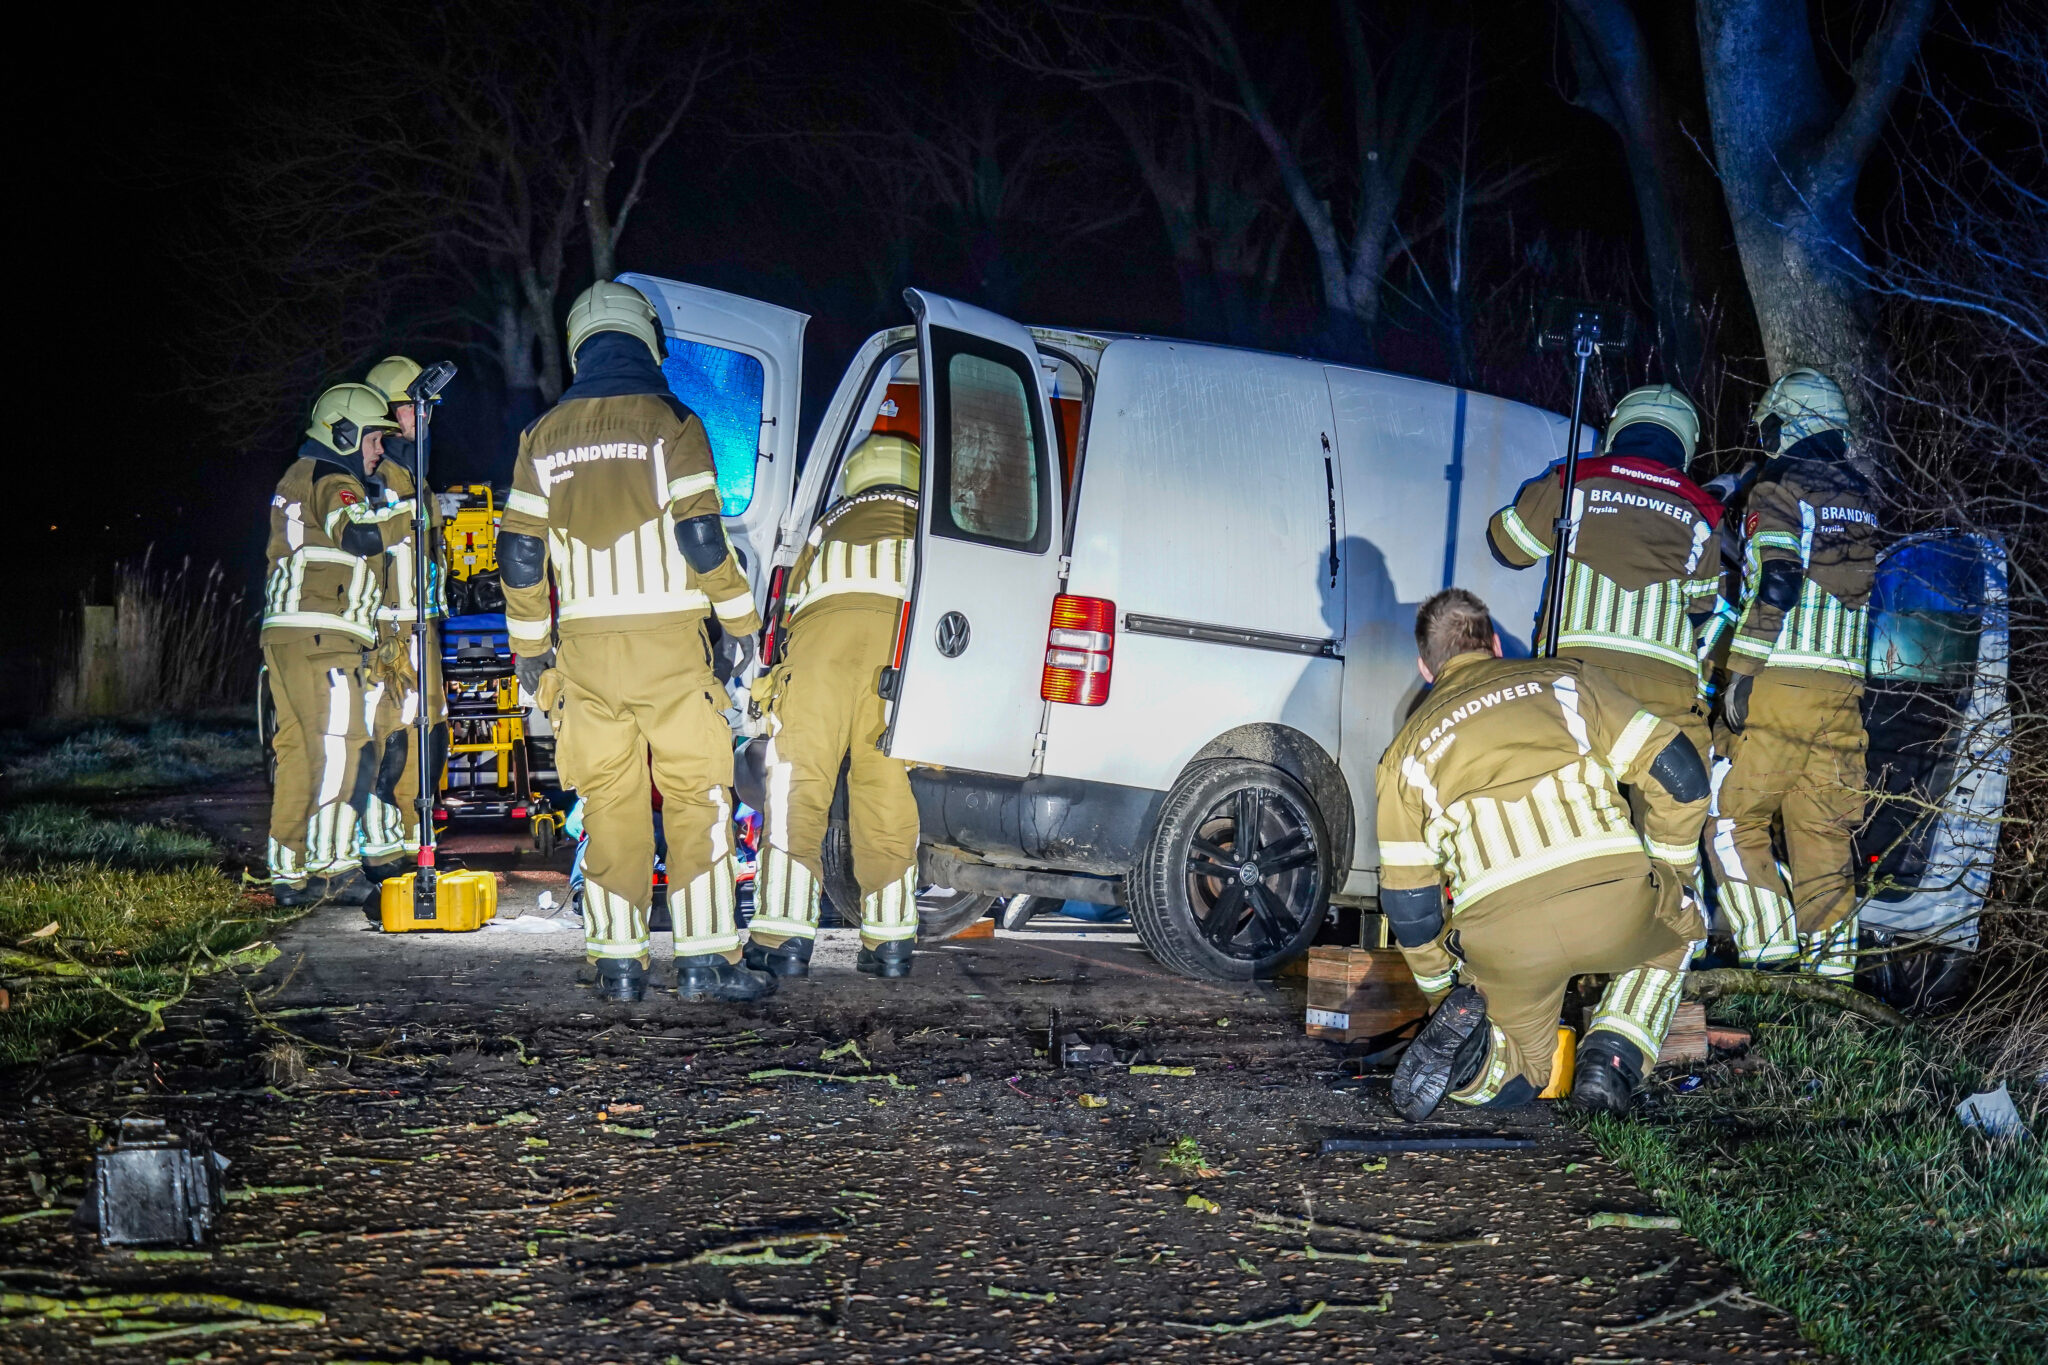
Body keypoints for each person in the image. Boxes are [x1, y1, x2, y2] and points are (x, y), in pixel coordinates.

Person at [499, 280, 773, 1003]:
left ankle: (618, 964)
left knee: (611, 800)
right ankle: (706, 961)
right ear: (645, 341)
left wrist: (531, 652)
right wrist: (742, 624)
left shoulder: (541, 437)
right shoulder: (672, 421)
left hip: (584, 652)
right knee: (695, 796)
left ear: (580, 346)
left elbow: (520, 555)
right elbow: (703, 537)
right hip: (670, 650)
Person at [1378, 588, 1710, 1119]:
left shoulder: (1403, 757)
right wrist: (1670, 875)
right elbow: (1683, 775)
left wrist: (1443, 990)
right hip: (1615, 903)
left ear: (1425, 666)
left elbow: (1409, 906)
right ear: (1494, 644)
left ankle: (1473, 1061)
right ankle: (1612, 1061)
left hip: (1505, 938)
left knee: (1519, 1076)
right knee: (1683, 926)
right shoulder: (1566, 681)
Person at [1484, 383, 1722, 1091]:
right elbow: (1707, 614)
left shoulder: (1573, 481)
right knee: (1673, 893)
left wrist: (1554, 495)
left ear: (1616, 430)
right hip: (1667, 738)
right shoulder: (1703, 510)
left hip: (1571, 715)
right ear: (1682, 443)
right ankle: (1613, 1055)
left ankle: (1503, 1045)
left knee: (1543, 869)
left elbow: (1507, 545)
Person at [1710, 368, 1880, 978]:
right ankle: (1832, 987)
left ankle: (1770, 962)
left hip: (1781, 682)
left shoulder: (1779, 485)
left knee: (1730, 821)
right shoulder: (1863, 496)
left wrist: (1742, 671)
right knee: (1824, 837)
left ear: (1788, 424)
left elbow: (1778, 579)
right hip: (1844, 694)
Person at [747, 433, 923, 980]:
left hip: (821, 653)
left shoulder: (828, 522)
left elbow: (785, 600)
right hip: (898, 657)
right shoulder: (929, 524)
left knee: (799, 786)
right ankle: (889, 945)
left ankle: (784, 940)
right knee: (886, 792)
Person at [261, 383, 414, 906]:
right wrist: (418, 512)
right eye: (373, 438)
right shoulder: (332, 477)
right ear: (343, 433)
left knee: (299, 751)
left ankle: (288, 872)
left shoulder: (301, 476)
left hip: (292, 634)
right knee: (337, 747)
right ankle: (327, 866)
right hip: (322, 635)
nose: (379, 450)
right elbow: (361, 536)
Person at [356, 356, 448, 898]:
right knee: (382, 744)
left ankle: (418, 851)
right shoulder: (373, 481)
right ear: (386, 418)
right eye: (414, 408)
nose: (424, 417)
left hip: (424, 632)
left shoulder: (417, 479)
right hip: (386, 637)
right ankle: (378, 857)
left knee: (427, 740)